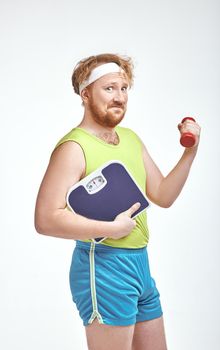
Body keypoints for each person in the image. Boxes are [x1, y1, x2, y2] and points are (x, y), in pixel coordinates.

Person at [34, 53, 201, 350]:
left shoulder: (131, 139)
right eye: (109, 88)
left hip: (140, 264)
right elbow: (46, 219)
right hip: (103, 267)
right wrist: (110, 229)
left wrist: (190, 152)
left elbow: (162, 195)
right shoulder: (74, 148)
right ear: (86, 94)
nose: (119, 97)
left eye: (124, 89)